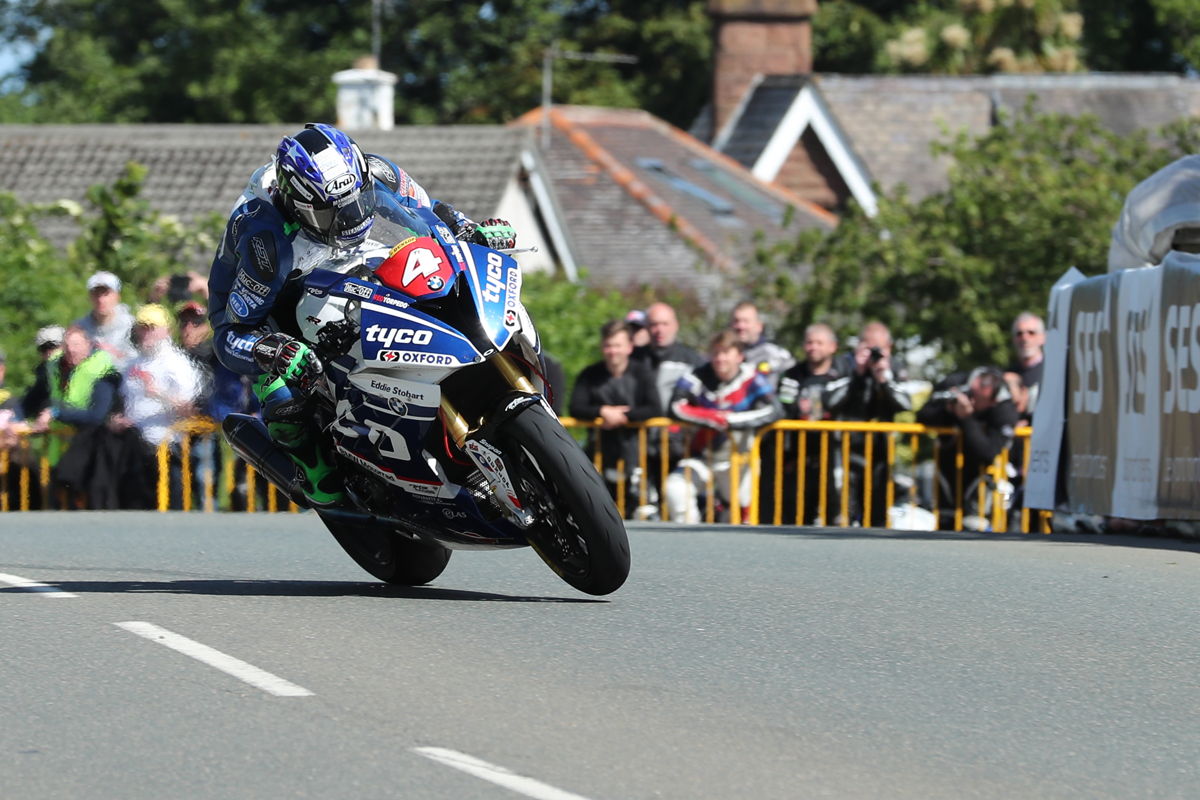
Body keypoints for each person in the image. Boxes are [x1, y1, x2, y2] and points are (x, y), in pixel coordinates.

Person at [208, 122, 517, 507]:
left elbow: (431, 211)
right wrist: (272, 350)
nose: (351, 219)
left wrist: (470, 230)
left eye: (356, 202)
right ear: (299, 205)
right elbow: (231, 334)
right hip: (269, 301)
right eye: (332, 213)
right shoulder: (265, 243)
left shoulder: (380, 172)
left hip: (353, 269)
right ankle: (316, 477)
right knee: (284, 395)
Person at [665, 330, 782, 523]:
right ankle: (687, 540)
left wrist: (733, 421)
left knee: (741, 514)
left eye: (726, 352)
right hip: (703, 456)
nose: (720, 359)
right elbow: (675, 407)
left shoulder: (752, 378)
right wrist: (712, 417)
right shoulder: (697, 376)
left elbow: (775, 410)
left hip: (739, 459)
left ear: (739, 356)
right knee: (676, 489)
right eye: (716, 353)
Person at [109, 304, 202, 509]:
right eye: (142, 327)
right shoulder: (133, 364)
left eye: (152, 327)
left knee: (172, 508)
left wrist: (160, 394)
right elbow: (124, 402)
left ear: (166, 330)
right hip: (133, 446)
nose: (146, 333)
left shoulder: (177, 363)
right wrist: (118, 419)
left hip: (168, 446)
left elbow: (190, 408)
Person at [823, 321, 913, 526]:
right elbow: (830, 401)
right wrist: (858, 372)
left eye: (879, 348)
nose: (874, 353)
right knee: (842, 514)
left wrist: (884, 378)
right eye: (869, 346)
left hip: (880, 452)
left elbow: (906, 404)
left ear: (888, 347)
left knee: (878, 516)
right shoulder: (844, 363)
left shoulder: (894, 366)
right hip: (846, 450)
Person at [568, 320, 660, 508]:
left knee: (641, 508)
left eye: (617, 345)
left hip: (638, 456)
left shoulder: (643, 373)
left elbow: (655, 408)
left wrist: (625, 417)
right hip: (599, 453)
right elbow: (575, 407)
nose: (612, 351)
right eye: (608, 345)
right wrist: (602, 412)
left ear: (629, 347)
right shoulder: (590, 374)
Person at [916, 366, 1018, 530]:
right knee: (944, 522)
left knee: (974, 525)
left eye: (979, 400)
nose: (973, 402)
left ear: (993, 401)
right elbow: (922, 415)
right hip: (947, 467)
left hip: (980, 476)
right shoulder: (954, 383)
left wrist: (967, 418)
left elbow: (988, 452)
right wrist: (948, 410)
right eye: (973, 396)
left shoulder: (1004, 406)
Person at [766, 323, 847, 524]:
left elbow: (846, 404)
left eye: (819, 343)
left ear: (832, 346)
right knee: (797, 514)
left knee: (834, 514)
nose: (813, 347)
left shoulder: (843, 373)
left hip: (833, 454)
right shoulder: (793, 374)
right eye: (809, 343)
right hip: (797, 456)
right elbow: (786, 406)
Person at [35, 326, 122, 507]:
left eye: (76, 345)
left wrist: (57, 413)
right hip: (62, 446)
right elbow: (37, 398)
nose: (71, 350)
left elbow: (97, 415)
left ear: (88, 345)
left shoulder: (102, 369)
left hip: (94, 446)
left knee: (87, 500)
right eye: (67, 345)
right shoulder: (55, 366)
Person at [74, 271, 136, 368]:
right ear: (90, 297)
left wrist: (113, 356)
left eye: (106, 294)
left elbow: (139, 362)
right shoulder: (80, 328)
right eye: (96, 294)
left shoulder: (132, 326)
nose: (101, 300)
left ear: (117, 296)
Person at [729, 301, 795, 387]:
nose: (741, 326)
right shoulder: (722, 356)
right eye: (736, 321)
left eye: (746, 321)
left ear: (759, 326)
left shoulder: (777, 356)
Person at [1006, 312, 1045, 414]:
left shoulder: (1053, 372)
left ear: (1043, 338)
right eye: (1019, 334)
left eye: (1031, 333)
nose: (1025, 338)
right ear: (1014, 339)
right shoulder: (1008, 375)